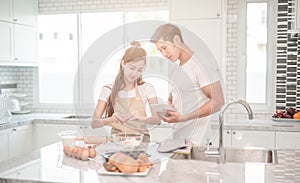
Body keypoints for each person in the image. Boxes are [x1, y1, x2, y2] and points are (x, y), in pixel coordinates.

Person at [151, 23, 225, 146]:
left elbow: (218, 102)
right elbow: (173, 98)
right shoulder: (175, 68)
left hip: (196, 143)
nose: (164, 54)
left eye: (164, 48)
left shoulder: (200, 64)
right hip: (178, 139)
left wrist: (184, 117)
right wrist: (168, 108)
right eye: (160, 51)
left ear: (176, 40)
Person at [91, 41, 161, 143]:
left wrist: (141, 118)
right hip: (117, 141)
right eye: (132, 68)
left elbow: (157, 120)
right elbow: (94, 123)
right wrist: (110, 120)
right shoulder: (108, 89)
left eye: (139, 70)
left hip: (141, 142)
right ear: (123, 63)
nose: (134, 73)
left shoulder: (147, 88)